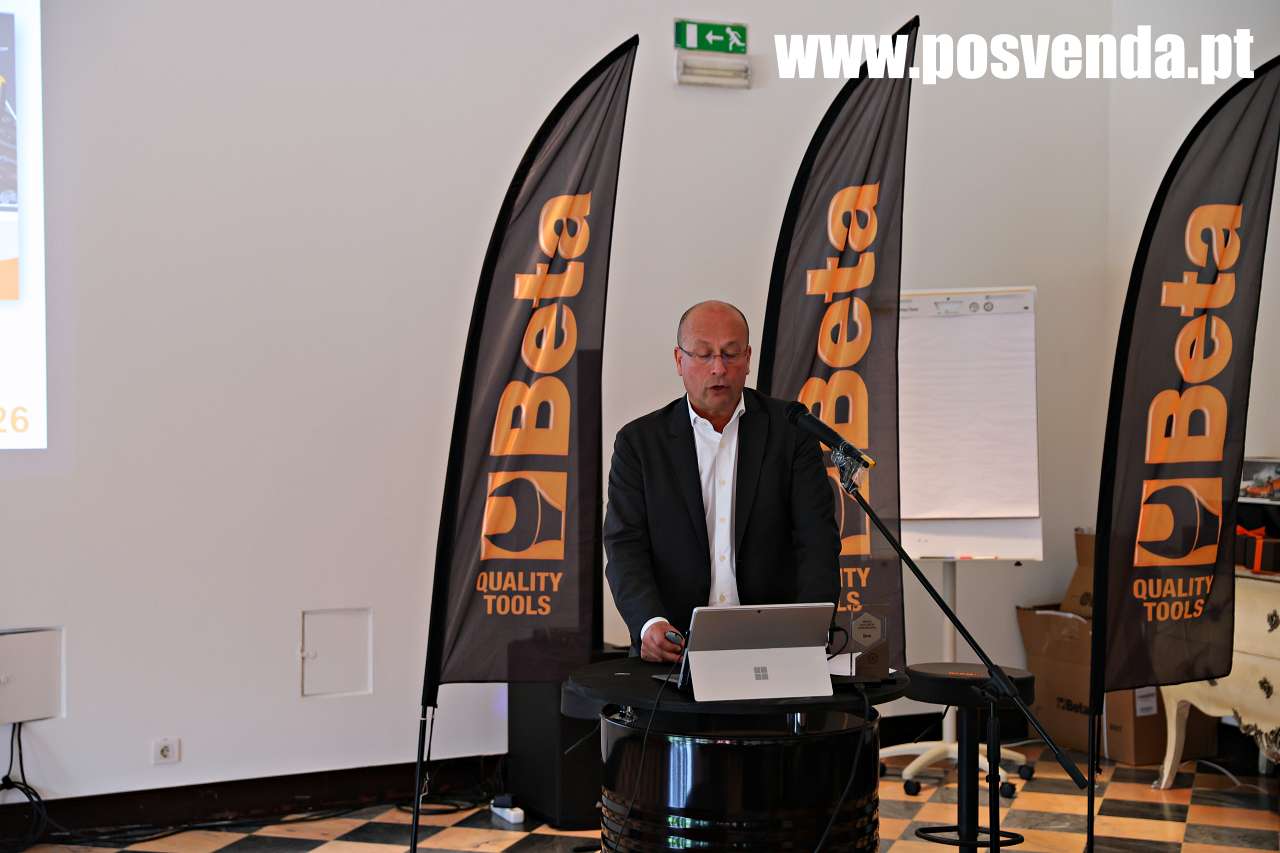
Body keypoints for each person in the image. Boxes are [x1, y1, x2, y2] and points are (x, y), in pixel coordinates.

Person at [603, 300, 840, 662]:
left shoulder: (791, 433)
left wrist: (807, 631)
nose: (718, 368)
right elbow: (625, 546)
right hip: (675, 646)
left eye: (730, 354)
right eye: (703, 354)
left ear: (748, 358)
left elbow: (817, 543)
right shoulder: (640, 443)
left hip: (776, 644)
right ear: (679, 360)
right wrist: (649, 623)